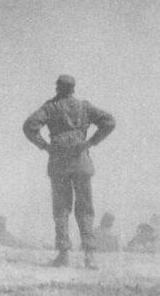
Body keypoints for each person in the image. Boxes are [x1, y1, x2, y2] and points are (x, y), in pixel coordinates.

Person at [23, 74, 115, 269]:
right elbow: (109, 121)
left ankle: (63, 255)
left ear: (58, 88)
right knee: (85, 209)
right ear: (73, 89)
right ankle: (89, 256)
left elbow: (29, 126)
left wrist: (45, 146)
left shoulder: (50, 107)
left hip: (59, 162)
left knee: (61, 208)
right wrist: (91, 141)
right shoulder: (84, 106)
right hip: (81, 160)